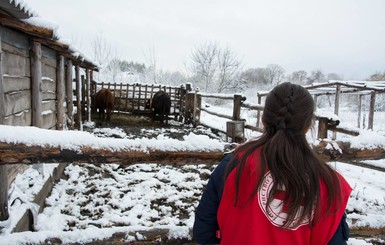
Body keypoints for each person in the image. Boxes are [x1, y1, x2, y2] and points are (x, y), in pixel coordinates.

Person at [193, 82, 352, 245]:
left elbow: (203, 232)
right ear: (308, 126)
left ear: (263, 120)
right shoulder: (330, 184)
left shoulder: (234, 165)